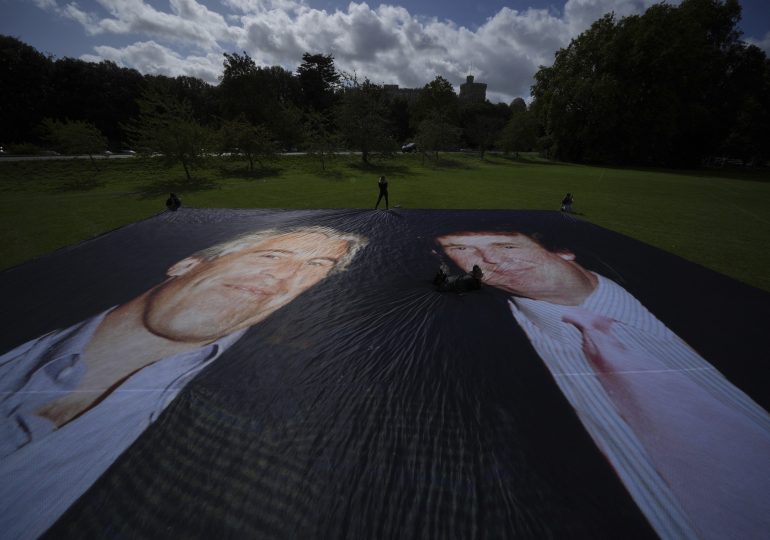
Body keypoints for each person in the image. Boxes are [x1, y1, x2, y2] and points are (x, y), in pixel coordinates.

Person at [0, 226, 367, 540]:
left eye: (316, 267)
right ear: (186, 263)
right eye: (271, 256)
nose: (283, 276)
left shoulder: (260, 429)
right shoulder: (18, 326)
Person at [436, 230, 770, 540]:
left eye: (506, 245)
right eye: (462, 250)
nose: (490, 259)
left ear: (563, 254)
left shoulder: (716, 314)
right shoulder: (481, 345)